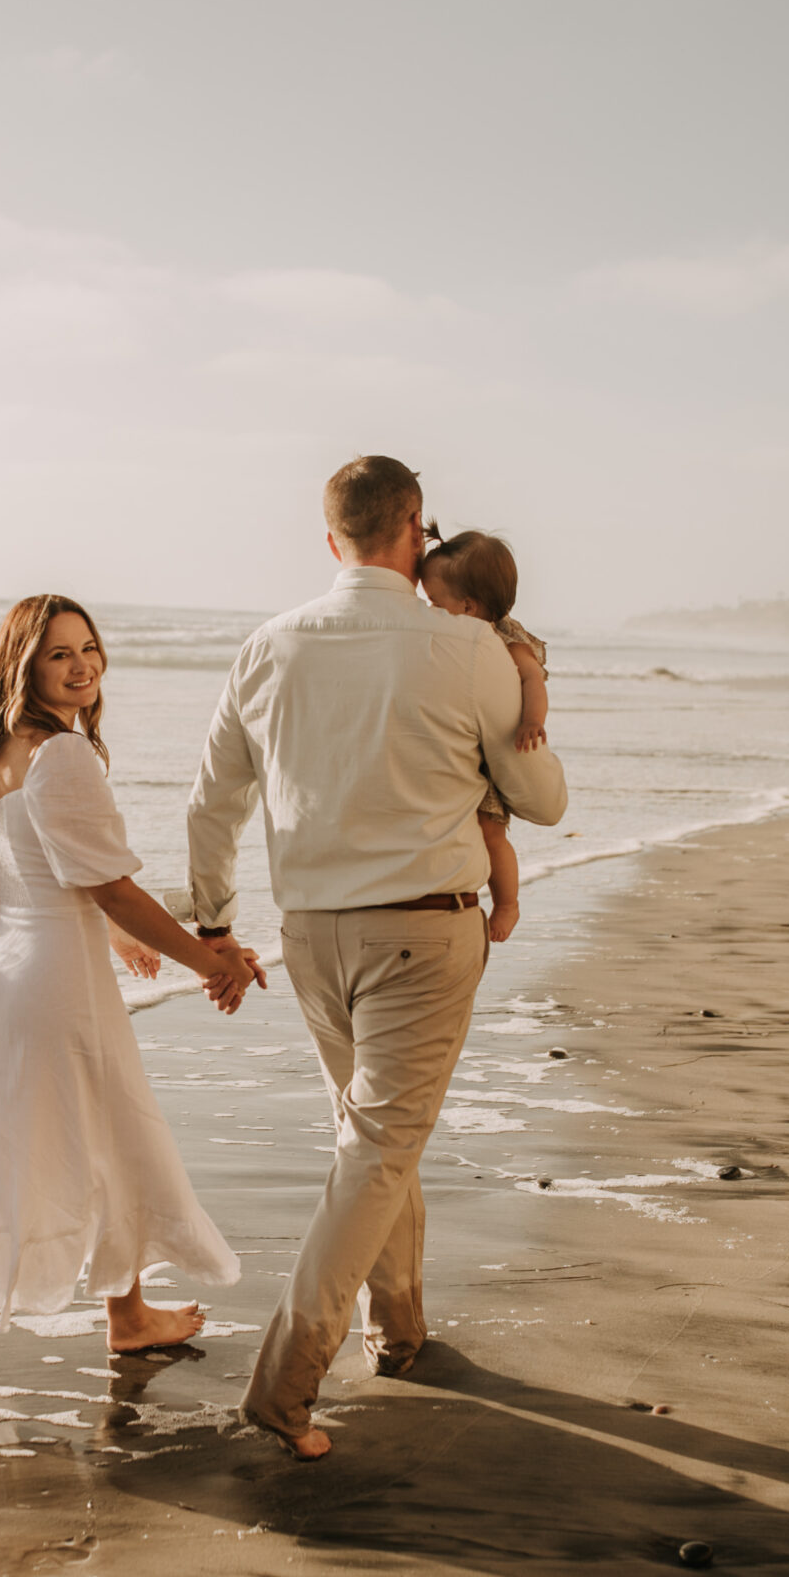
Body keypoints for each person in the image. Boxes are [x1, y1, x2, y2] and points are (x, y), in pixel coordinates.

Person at [186, 456, 568, 1459]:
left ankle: (397, 1333)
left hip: (310, 932)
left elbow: (211, 801)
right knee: (378, 1149)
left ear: (332, 542)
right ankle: (285, 1382)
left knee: (371, 1140)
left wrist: (216, 928)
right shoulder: (469, 645)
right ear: (414, 532)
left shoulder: (268, 645)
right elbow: (542, 800)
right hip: (421, 930)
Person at [0, 594, 263, 1400]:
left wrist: (126, 939)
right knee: (108, 1138)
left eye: (89, 648)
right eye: (60, 654)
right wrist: (207, 961)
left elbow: (44, 876)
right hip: (49, 985)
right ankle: (126, 1316)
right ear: (25, 666)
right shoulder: (64, 756)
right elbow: (110, 888)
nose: (83, 666)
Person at [419, 527, 549, 944]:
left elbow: (533, 681)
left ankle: (507, 903)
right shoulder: (460, 637)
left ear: (469, 606)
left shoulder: (508, 643)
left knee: (492, 833)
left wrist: (532, 721)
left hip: (503, 748)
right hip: (471, 746)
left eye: (434, 603)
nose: (428, 610)